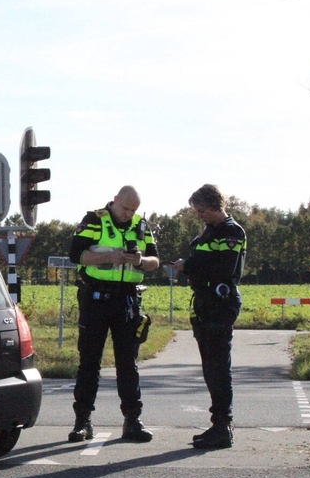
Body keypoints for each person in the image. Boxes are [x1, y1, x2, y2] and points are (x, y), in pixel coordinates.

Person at [68, 185, 161, 443]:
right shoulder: (94, 220)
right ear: (115, 200)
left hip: (127, 300)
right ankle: (82, 421)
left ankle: (133, 420)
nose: (128, 214)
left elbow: (155, 261)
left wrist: (139, 261)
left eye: (133, 210)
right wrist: (111, 256)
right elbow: (76, 255)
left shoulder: (141, 225)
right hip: (96, 298)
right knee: (89, 362)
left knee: (128, 363)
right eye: (125, 208)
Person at [171, 184, 247, 450]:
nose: (199, 215)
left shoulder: (231, 231)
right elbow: (205, 262)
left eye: (202, 210)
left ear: (215, 205)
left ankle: (223, 426)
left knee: (218, 368)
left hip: (220, 303)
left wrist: (188, 265)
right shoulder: (209, 232)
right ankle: (218, 425)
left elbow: (223, 267)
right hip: (205, 302)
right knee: (210, 368)